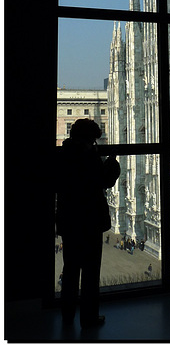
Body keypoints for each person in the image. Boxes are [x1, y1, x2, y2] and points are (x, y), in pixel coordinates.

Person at [55, 118, 120, 329]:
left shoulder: (62, 155)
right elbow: (104, 181)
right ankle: (89, 317)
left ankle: (67, 314)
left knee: (71, 269)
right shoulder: (86, 157)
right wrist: (111, 162)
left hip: (69, 219)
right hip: (89, 220)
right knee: (91, 272)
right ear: (90, 139)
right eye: (93, 139)